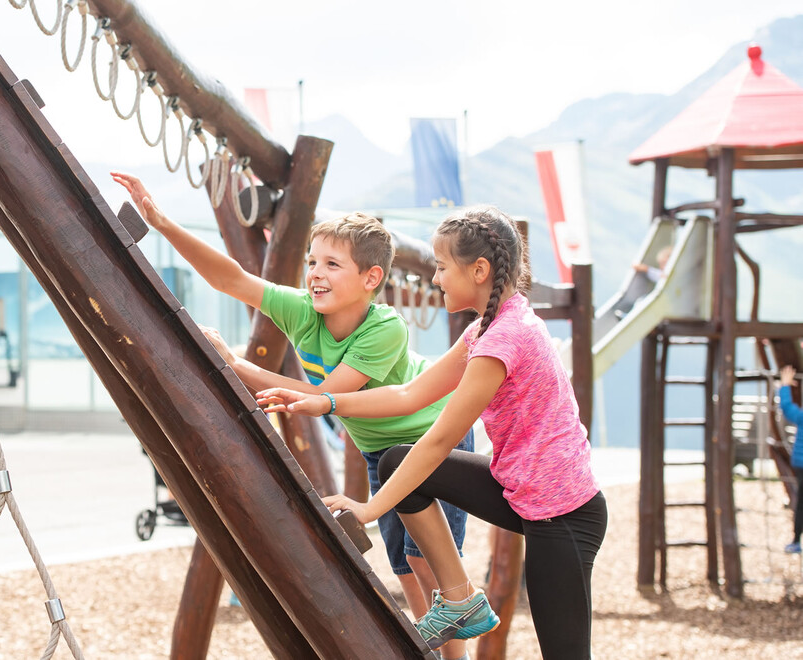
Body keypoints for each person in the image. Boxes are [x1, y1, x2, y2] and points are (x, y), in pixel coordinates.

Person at [111, 171, 474, 659]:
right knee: (406, 572)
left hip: (434, 440)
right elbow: (230, 278)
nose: (315, 273)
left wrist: (238, 366)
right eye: (311, 262)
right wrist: (160, 222)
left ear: (371, 279)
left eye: (332, 264)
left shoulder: (384, 328)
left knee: (430, 570)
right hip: (380, 451)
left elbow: (325, 397)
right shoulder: (304, 310)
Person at [257, 205, 607, 659]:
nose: (436, 278)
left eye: (442, 267)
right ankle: (460, 600)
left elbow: (440, 438)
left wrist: (367, 509)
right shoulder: (485, 329)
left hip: (564, 515)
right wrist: (328, 401)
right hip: (522, 492)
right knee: (395, 461)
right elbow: (409, 395)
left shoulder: (503, 341)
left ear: (478, 270)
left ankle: (462, 602)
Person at [776, 364, 803, 554]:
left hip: (801, 463)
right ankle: (795, 540)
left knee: (801, 503)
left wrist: (784, 386)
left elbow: (786, 407)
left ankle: (796, 541)